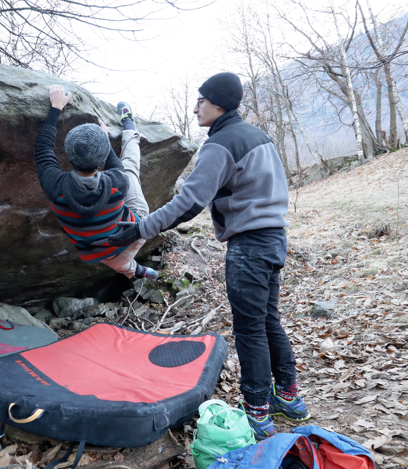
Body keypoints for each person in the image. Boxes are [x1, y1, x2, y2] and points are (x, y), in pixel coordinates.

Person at [108, 72, 310, 440]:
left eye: (201, 100)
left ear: (218, 103)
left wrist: (139, 229)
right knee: (268, 321)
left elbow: (189, 203)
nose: (196, 106)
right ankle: (290, 398)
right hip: (274, 238)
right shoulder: (256, 135)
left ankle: (257, 413)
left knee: (250, 329)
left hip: (249, 246)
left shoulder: (220, 144)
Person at [33, 84, 158, 281]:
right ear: (101, 159)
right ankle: (130, 129)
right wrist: (103, 138)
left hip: (97, 252)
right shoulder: (117, 180)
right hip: (132, 234)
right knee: (130, 168)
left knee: (119, 263)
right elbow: (114, 162)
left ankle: (138, 271)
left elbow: (43, 149)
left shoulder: (55, 186)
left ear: (68, 154)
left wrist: (56, 107)